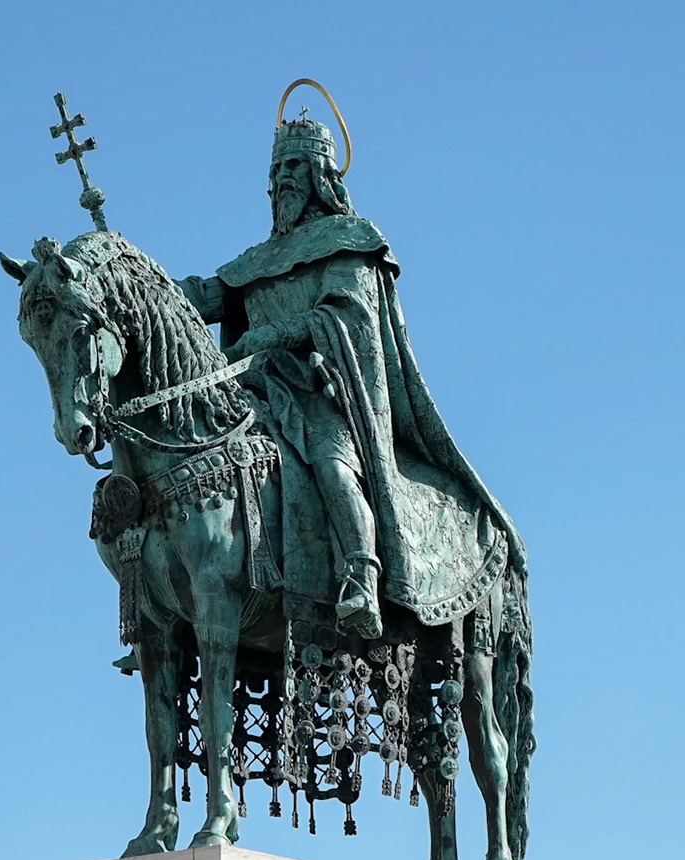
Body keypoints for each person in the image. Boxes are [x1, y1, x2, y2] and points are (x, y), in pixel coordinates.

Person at [179, 106, 527, 644]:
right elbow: (207, 297)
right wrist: (144, 288)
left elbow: (346, 314)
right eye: (277, 171)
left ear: (322, 176)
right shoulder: (256, 259)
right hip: (255, 392)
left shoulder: (348, 240)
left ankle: (361, 575)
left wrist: (275, 335)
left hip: (326, 392)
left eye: (295, 166)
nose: (284, 180)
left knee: (332, 464)